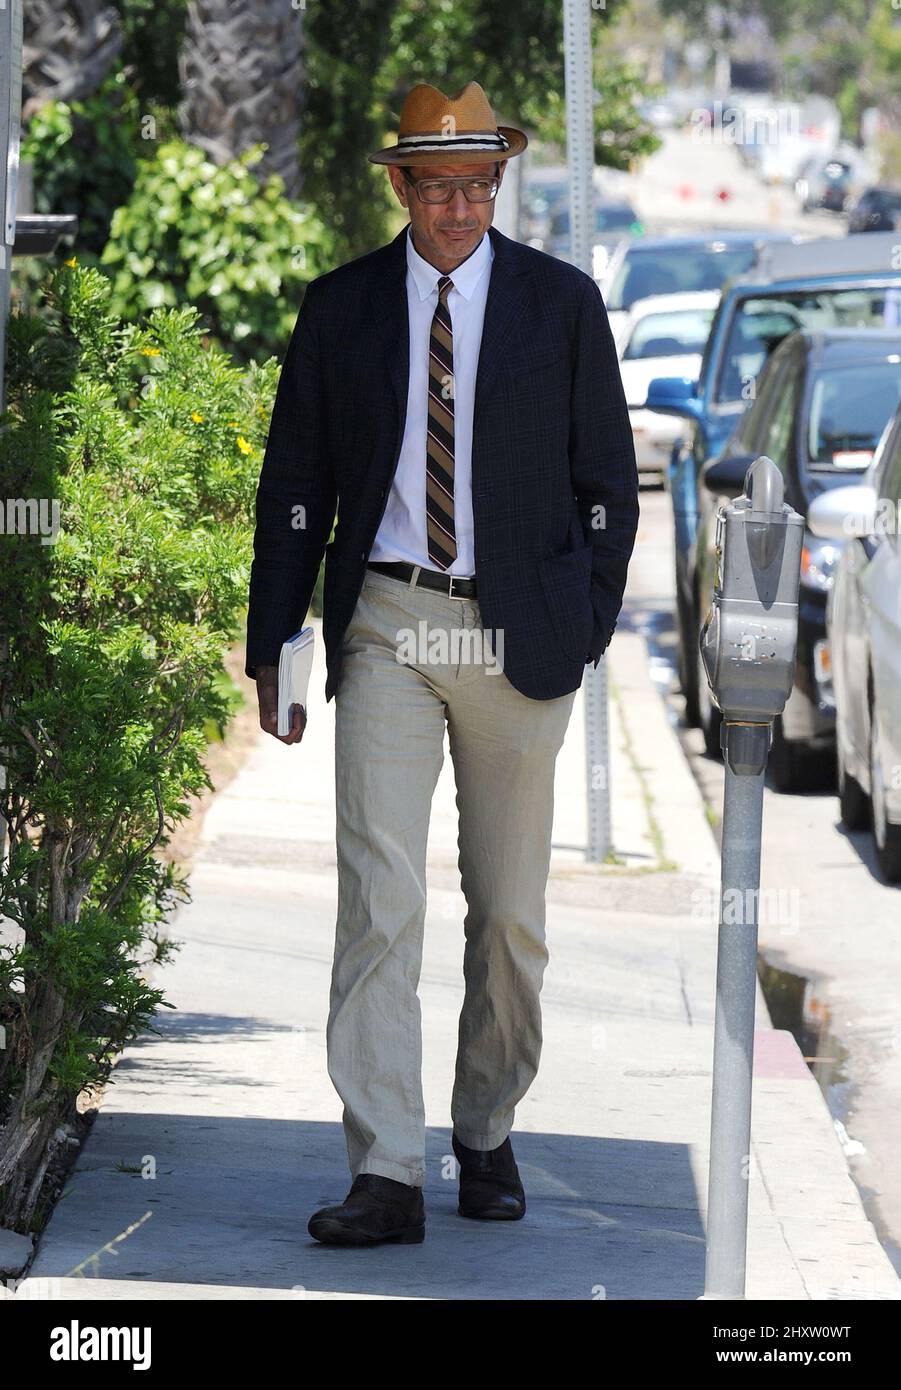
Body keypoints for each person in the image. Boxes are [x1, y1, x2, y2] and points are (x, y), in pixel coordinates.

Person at [245, 80, 639, 1247]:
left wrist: (584, 623)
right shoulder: (343, 310)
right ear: (401, 188)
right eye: (439, 186)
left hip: (520, 634)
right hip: (387, 622)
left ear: (496, 186)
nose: (460, 207)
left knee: (511, 916)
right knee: (382, 897)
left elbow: (607, 486)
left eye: (479, 185)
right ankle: (385, 1167)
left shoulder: (560, 308)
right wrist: (275, 644)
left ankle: (484, 1124)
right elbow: (295, 488)